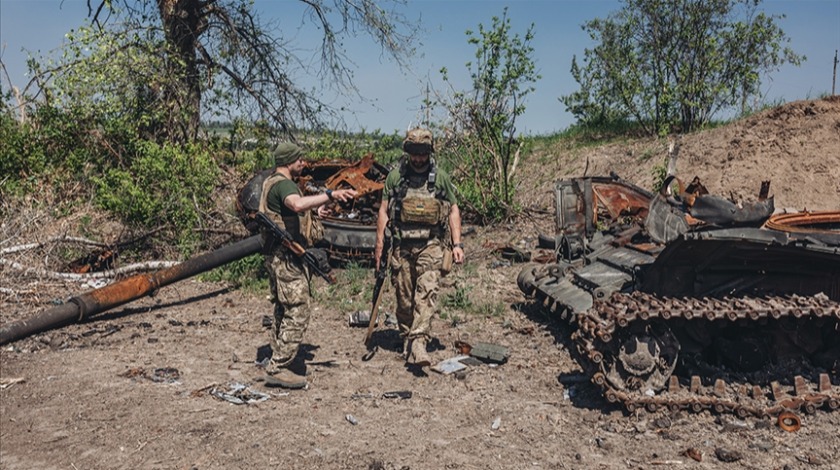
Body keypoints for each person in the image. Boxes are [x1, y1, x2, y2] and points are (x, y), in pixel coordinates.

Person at [260, 142, 357, 388]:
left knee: (283, 309)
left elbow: (293, 211)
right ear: (289, 161)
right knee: (298, 309)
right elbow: (295, 204)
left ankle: (280, 355)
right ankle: (278, 367)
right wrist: (329, 195)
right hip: (286, 258)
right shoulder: (284, 184)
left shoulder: (271, 182)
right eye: (299, 159)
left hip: (278, 255)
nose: (303, 163)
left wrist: (316, 211)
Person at [374, 128, 465, 368]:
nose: (418, 158)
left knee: (427, 291)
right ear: (407, 152)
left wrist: (457, 244)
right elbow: (383, 212)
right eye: (413, 153)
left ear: (429, 152)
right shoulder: (395, 177)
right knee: (404, 299)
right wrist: (379, 247)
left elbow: (454, 209)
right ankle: (407, 337)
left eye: (422, 153)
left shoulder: (440, 178)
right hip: (401, 246)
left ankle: (419, 341)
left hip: (431, 245)